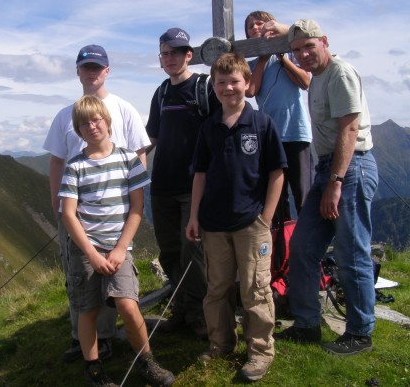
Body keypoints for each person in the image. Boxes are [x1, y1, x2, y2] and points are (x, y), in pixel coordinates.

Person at [274, 19, 379, 356]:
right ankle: (307, 324)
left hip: (350, 169)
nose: (303, 54)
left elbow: (349, 130)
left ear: (324, 41)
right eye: (296, 49)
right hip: (326, 170)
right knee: (303, 248)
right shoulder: (316, 79)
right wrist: (273, 27)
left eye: (309, 46)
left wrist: (335, 183)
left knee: (351, 253)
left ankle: (360, 332)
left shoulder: (340, 73)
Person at [43, 44, 150, 363]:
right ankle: (84, 339)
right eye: (85, 67)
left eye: (97, 67)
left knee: (112, 277)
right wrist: (58, 204)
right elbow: (57, 162)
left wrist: (135, 197)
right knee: (80, 277)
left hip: (115, 214)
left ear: (107, 71)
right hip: (77, 213)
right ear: (77, 72)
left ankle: (104, 338)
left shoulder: (124, 109)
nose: (91, 72)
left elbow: (139, 154)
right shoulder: (65, 115)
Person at [59, 96, 175, 387]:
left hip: (118, 249)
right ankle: (94, 369)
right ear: (78, 128)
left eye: (96, 120)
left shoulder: (128, 160)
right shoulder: (75, 166)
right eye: (84, 123)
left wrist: (121, 249)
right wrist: (92, 254)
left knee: (128, 304)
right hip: (86, 250)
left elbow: (137, 208)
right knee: (87, 310)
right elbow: (69, 215)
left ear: (107, 122)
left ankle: (147, 361)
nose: (91, 126)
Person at [185, 52, 286, 382]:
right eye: (221, 82)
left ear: (247, 83)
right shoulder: (208, 127)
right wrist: (194, 216)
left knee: (256, 291)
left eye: (234, 81)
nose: (228, 88)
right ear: (213, 87)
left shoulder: (261, 123)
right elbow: (199, 173)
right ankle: (221, 344)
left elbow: (276, 172)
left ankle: (259, 352)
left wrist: (266, 218)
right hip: (213, 223)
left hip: (251, 223)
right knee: (217, 289)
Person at [145, 28, 220, 338]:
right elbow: (152, 137)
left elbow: (221, 130)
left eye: (176, 52)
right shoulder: (162, 92)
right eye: (165, 53)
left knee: (193, 254)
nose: (170, 58)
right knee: (170, 253)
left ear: (189, 54)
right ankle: (182, 309)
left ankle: (201, 315)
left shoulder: (205, 87)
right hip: (161, 184)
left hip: (194, 187)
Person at [244, 11, 313, 222]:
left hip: (296, 132)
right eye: (251, 26)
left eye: (260, 24)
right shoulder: (253, 65)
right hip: (270, 136)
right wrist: (264, 59)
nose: (256, 28)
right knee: (276, 197)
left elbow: (305, 82)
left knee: (303, 195)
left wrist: (282, 56)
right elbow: (250, 91)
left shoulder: (290, 54)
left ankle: (307, 250)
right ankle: (281, 249)